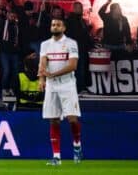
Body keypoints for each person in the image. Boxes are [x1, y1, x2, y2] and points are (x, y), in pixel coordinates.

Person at [39, 17, 83, 165]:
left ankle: (77, 146)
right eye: (53, 24)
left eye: (58, 25)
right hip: (52, 86)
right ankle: (56, 157)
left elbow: (73, 65)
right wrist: (42, 79)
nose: (55, 27)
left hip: (67, 84)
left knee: (72, 118)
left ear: (63, 28)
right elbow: (43, 62)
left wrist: (53, 74)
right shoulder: (45, 44)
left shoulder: (71, 44)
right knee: (54, 119)